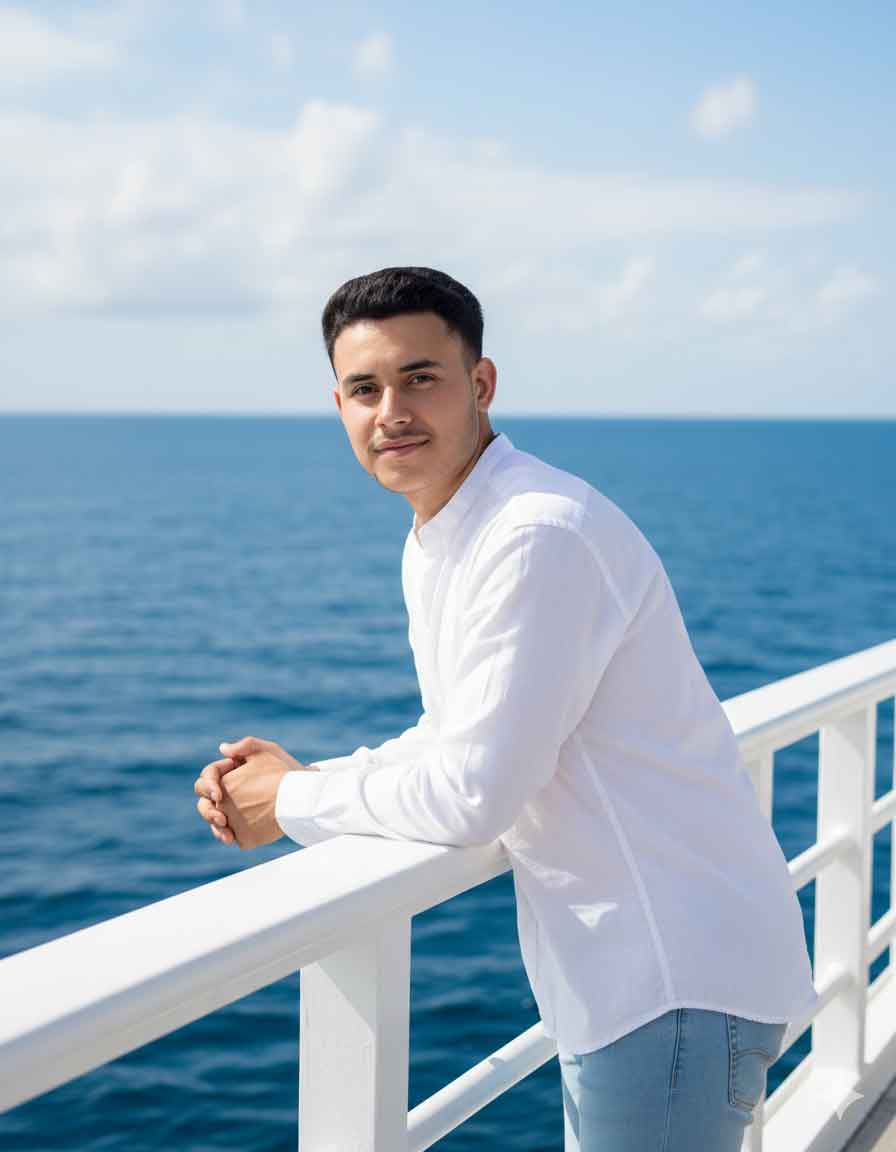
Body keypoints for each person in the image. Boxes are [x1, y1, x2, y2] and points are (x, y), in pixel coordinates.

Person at [193, 266, 819, 1151]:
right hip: (641, 982)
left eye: (420, 378)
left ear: (480, 385)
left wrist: (287, 804)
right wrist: (311, 776)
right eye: (365, 389)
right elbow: (458, 736)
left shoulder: (534, 535)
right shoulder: (447, 534)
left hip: (670, 986)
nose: (391, 411)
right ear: (338, 405)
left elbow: (475, 792)